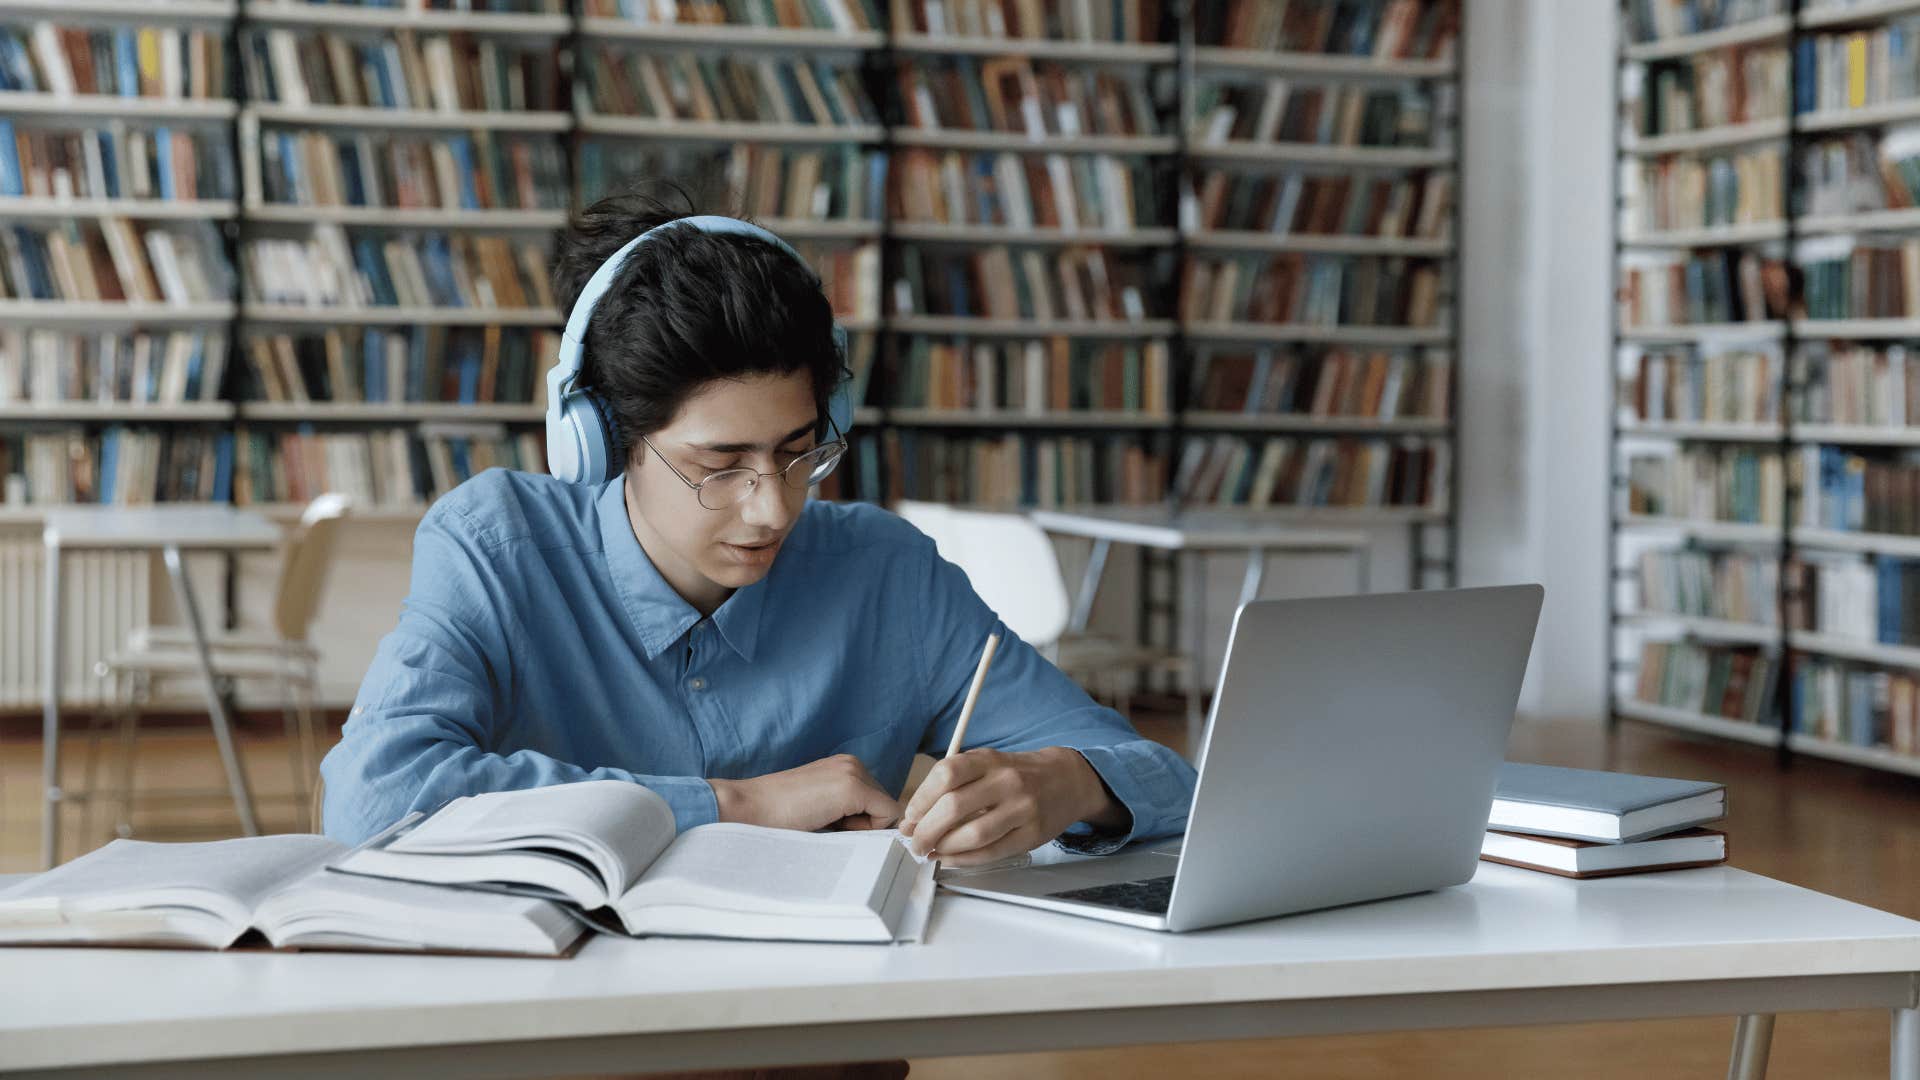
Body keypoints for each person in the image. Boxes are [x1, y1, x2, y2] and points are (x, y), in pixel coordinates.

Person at [320, 185, 1197, 876]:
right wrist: (734, 805)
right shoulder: (497, 546)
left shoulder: (885, 573)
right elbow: (373, 798)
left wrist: (1071, 784)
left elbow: (1168, 781)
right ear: (603, 441)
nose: (772, 507)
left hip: (810, 1029)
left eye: (797, 452)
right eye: (718, 465)